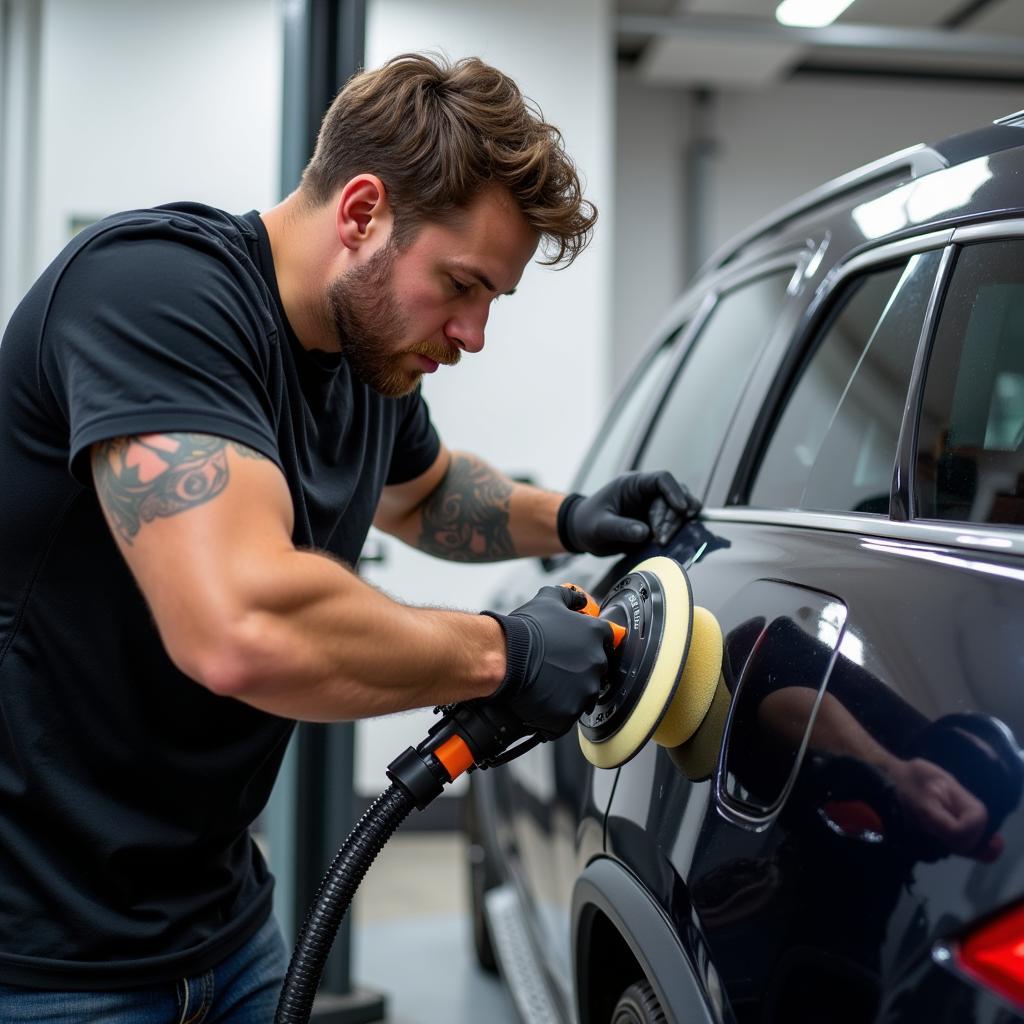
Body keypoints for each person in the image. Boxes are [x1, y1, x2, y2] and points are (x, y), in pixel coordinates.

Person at [0, 53, 695, 1021]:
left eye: (492, 298)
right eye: (460, 285)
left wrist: (571, 515)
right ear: (362, 211)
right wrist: (506, 652)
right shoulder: (153, 295)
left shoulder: (366, 362)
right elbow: (239, 624)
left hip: (223, 921)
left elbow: (427, 494)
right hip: (44, 957)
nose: (474, 332)